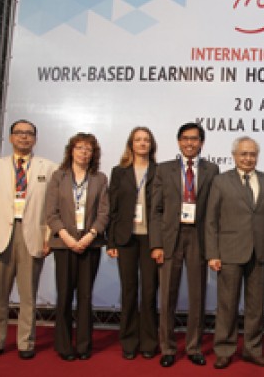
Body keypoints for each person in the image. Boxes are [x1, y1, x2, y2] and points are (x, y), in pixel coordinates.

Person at [0, 119, 57, 360]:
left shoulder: (48, 168)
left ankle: (26, 343)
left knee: (28, 295)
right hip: (0, 235)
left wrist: (48, 238)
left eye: (29, 133)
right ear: (10, 138)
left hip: (32, 235)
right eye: (19, 133)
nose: (24, 137)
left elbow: (51, 208)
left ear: (35, 139)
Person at [150, 122, 219, 367]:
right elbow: (156, 209)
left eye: (195, 139)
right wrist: (156, 244)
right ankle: (168, 348)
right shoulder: (163, 169)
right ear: (179, 142)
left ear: (202, 142)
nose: (190, 143)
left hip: (198, 238)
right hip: (171, 238)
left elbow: (214, 211)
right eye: (185, 138)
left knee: (197, 296)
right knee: (167, 295)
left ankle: (193, 347)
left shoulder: (212, 169)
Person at [205, 136, 264, 369]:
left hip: (260, 252)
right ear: (234, 156)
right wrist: (213, 253)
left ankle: (252, 350)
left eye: (252, 154)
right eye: (243, 153)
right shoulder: (220, 181)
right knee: (227, 304)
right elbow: (211, 220)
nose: (248, 158)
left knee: (256, 306)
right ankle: (224, 349)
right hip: (229, 252)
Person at [45, 132, 109, 361]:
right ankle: (63, 345)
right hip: (64, 245)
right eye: (80, 147)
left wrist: (89, 236)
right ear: (71, 151)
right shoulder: (58, 177)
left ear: (94, 154)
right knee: (64, 295)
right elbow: (50, 213)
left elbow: (103, 213)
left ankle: (83, 345)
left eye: (89, 149)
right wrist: (67, 238)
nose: (84, 152)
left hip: (89, 245)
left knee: (85, 296)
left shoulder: (100, 178)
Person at [107, 127, 159, 360]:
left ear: (151, 144)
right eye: (138, 140)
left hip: (151, 239)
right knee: (129, 292)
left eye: (146, 140)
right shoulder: (119, 172)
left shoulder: (160, 171)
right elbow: (113, 208)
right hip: (125, 238)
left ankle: (148, 341)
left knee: (149, 293)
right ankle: (128, 341)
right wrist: (111, 241)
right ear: (131, 144)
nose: (142, 143)